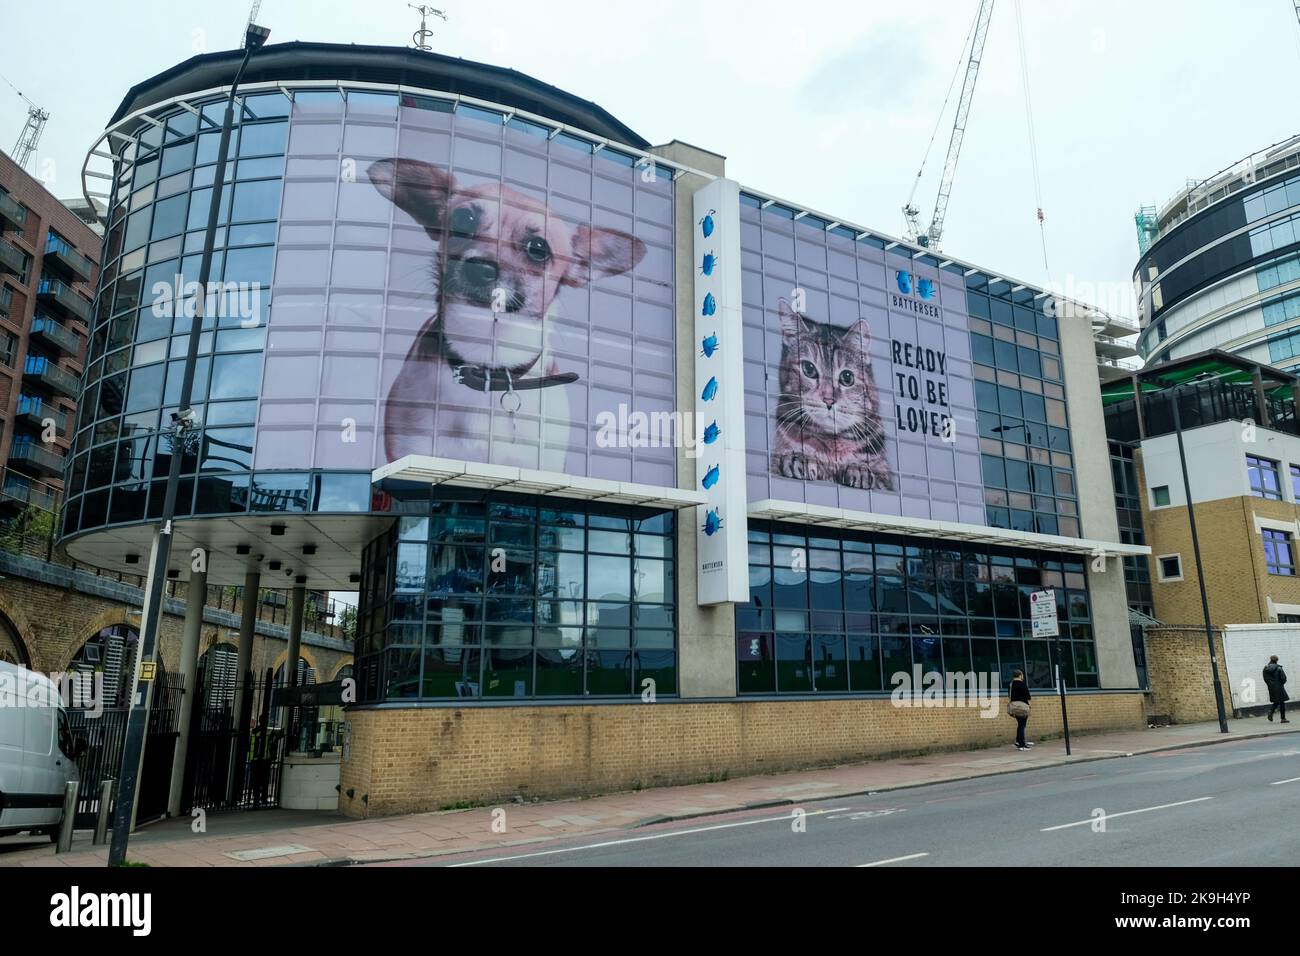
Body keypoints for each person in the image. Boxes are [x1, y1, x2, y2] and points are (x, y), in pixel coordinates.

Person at [1008, 669, 1033, 750]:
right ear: (1020, 675)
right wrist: (1029, 705)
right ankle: (1022, 745)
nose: (1023, 676)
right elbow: (1028, 696)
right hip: (1023, 707)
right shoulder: (1022, 684)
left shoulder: (1011, 684)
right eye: (1022, 675)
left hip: (1014, 707)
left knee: (1020, 724)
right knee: (1022, 725)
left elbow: (1010, 696)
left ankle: (1018, 741)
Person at [1264, 655, 1290, 723]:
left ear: (1270, 659)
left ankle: (1271, 712)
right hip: (1279, 687)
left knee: (1277, 701)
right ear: (1276, 660)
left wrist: (1270, 685)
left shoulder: (1265, 668)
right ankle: (1282, 718)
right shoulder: (1279, 668)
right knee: (1282, 702)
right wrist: (1280, 684)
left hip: (1271, 687)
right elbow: (1283, 678)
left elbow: (1265, 679)